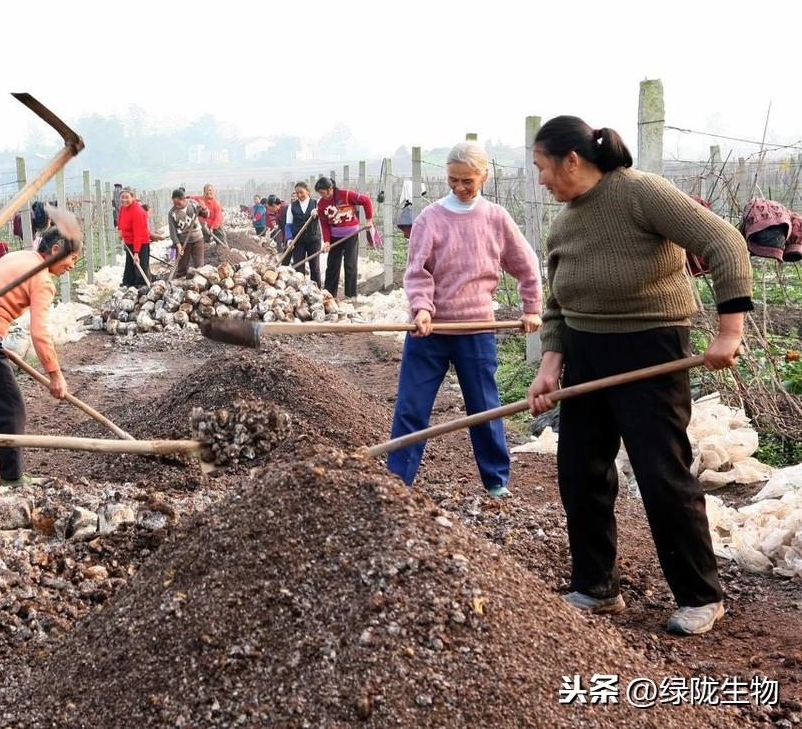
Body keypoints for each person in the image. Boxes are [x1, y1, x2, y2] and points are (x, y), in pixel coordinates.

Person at [525, 116, 752, 636]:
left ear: (571, 160)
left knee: (660, 471)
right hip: (586, 350)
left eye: (542, 167)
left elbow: (725, 244)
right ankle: (596, 587)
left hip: (651, 348)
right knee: (580, 470)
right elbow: (558, 303)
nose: (540, 179)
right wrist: (549, 366)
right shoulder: (564, 221)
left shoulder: (641, 193)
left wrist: (729, 331)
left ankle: (701, 595)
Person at [387, 142, 542, 497]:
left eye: (467, 181)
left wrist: (531, 308)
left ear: (483, 177)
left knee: (484, 407)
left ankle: (496, 481)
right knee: (412, 406)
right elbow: (416, 272)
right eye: (453, 180)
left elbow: (526, 265)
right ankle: (397, 483)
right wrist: (422, 307)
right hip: (431, 330)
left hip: (476, 329)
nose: (459, 187)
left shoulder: (496, 218)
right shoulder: (430, 218)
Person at [0, 228, 80, 486]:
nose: (72, 266)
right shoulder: (41, 279)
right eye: (71, 259)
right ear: (55, 250)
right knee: (10, 407)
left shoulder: (17, 257)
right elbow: (39, 332)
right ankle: (13, 477)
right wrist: (55, 374)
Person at [315, 176, 373, 299]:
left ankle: (350, 295)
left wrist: (369, 219)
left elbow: (366, 200)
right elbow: (324, 225)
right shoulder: (321, 204)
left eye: (322, 192)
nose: (321, 195)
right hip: (335, 236)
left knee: (350, 264)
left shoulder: (346, 194)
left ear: (330, 189)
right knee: (332, 265)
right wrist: (326, 241)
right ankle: (329, 294)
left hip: (351, 235)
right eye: (319, 193)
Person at [117, 188, 161, 287]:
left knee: (140, 263)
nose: (124, 200)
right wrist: (120, 230)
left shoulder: (137, 212)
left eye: (127, 197)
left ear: (133, 198)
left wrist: (136, 252)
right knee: (129, 262)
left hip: (140, 241)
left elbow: (138, 234)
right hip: (128, 240)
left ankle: (141, 285)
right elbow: (120, 218)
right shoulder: (123, 207)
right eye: (122, 197)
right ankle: (128, 282)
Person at [287, 182, 322, 284]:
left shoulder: (316, 204)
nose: (299, 195)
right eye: (297, 193)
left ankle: (316, 289)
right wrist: (289, 238)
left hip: (314, 239)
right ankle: (300, 290)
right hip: (298, 241)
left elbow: (324, 218)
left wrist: (318, 212)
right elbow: (288, 225)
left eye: (301, 192)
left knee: (315, 267)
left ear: (308, 191)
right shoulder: (292, 206)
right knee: (298, 267)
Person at [167, 187, 207, 278]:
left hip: (198, 238)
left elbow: (205, 215)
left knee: (200, 266)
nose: (176, 205)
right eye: (174, 203)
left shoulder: (193, 204)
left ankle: (200, 282)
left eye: (178, 203)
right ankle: (180, 283)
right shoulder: (172, 213)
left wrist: (204, 208)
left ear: (183, 199)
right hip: (183, 241)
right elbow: (172, 232)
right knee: (182, 266)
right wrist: (178, 245)